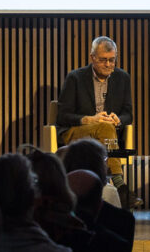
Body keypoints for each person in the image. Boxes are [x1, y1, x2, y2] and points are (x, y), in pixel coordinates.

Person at [56, 36, 139, 209]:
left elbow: (128, 114)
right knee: (104, 126)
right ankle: (120, 186)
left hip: (107, 136)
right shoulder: (75, 78)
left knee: (106, 126)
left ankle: (118, 189)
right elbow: (62, 116)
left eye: (112, 60)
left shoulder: (122, 78)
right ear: (92, 57)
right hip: (76, 133)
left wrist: (118, 119)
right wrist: (89, 119)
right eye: (103, 60)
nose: (108, 65)